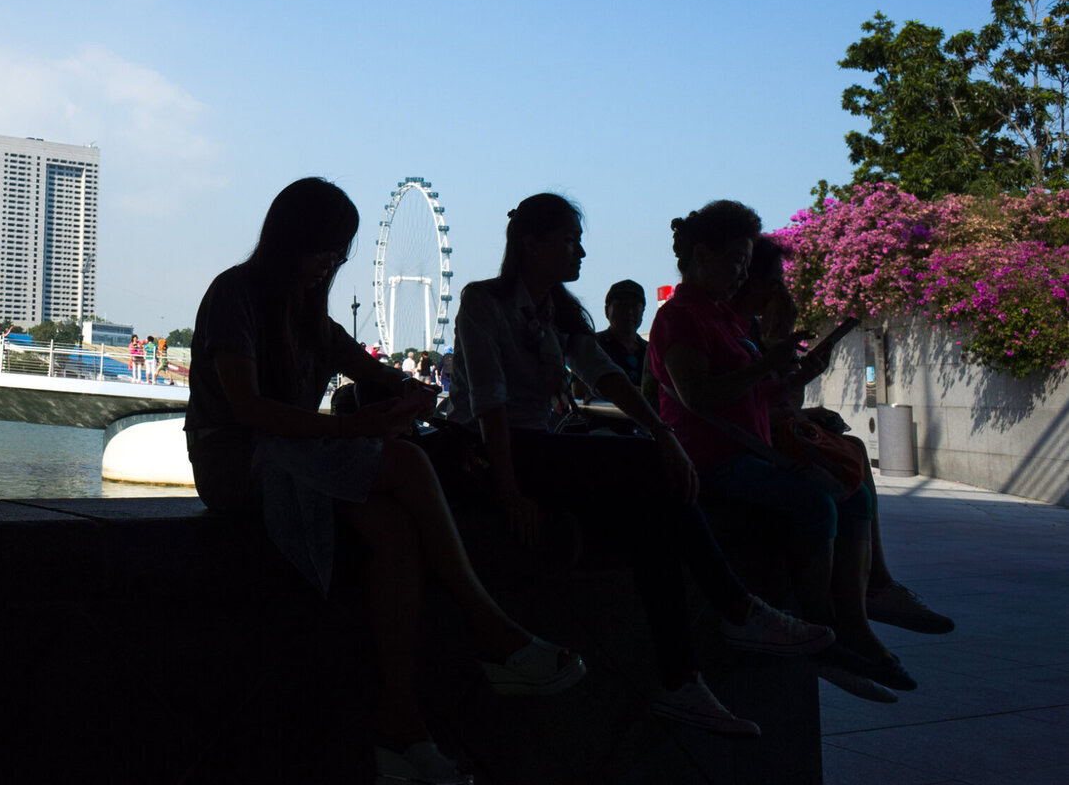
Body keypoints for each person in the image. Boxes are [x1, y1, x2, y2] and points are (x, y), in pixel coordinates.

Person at [187, 178, 586, 785]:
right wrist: (352, 431)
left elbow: (364, 367)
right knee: (407, 464)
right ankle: (491, 628)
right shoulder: (234, 295)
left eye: (340, 252)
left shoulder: (308, 312)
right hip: (235, 465)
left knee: (396, 533)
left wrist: (406, 393)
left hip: (291, 460)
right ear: (289, 242)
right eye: (324, 249)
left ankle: (400, 728)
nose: (332, 263)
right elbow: (246, 411)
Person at [451, 193, 832, 737]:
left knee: (651, 516)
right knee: (644, 470)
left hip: (537, 446)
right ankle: (735, 609)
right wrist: (510, 491)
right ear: (530, 245)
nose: (580, 252)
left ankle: (680, 678)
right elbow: (489, 402)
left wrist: (660, 432)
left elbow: (602, 373)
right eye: (568, 240)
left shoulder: (558, 311)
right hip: (497, 450)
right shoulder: (483, 302)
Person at [648, 201, 911, 703]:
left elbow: (755, 396)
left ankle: (853, 620)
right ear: (701, 256)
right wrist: (763, 365)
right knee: (816, 503)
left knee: (852, 496)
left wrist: (793, 375)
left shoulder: (722, 319)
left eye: (747, 267)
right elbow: (696, 397)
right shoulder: (679, 319)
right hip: (713, 460)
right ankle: (819, 628)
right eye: (736, 263)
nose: (741, 275)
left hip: (750, 452)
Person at [734, 237, 955, 638]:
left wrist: (798, 379)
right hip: (747, 447)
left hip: (766, 433)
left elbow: (764, 399)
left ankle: (871, 590)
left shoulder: (743, 332)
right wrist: (781, 374)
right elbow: (727, 404)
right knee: (831, 490)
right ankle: (847, 610)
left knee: (850, 455)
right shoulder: (727, 332)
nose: (780, 293)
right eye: (774, 283)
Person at [594, 279, 649, 396]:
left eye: (635, 306)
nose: (629, 312)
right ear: (606, 311)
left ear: (643, 312)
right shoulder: (592, 345)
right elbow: (579, 389)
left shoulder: (651, 350)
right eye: (621, 306)